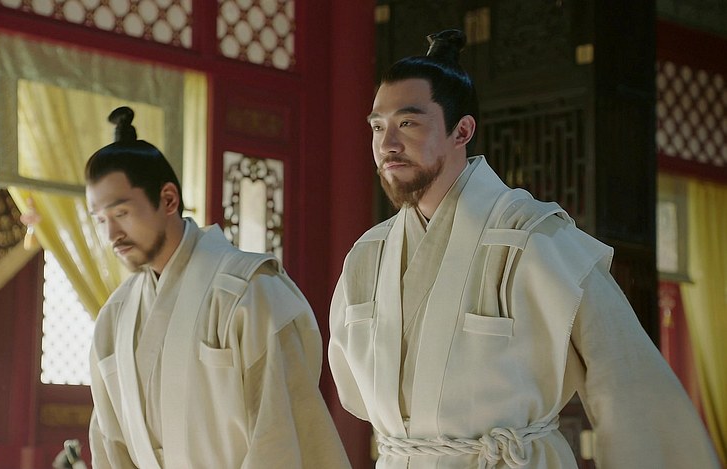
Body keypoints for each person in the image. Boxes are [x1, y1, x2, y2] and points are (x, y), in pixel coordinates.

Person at [328, 29, 720, 469]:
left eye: (408, 123)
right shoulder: (368, 255)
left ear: (462, 131)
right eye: (377, 127)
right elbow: (354, 391)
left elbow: (630, 388)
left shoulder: (538, 239)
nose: (387, 145)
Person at [86, 106, 350, 468]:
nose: (111, 234)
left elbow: (278, 436)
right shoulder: (114, 317)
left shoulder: (249, 291)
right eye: (100, 220)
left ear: (168, 200)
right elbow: (108, 445)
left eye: (121, 214)